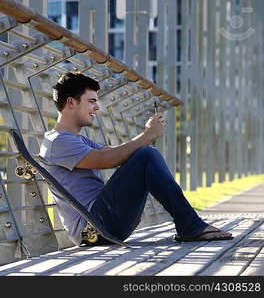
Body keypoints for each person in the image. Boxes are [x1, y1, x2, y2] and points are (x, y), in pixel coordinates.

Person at [38, 72, 233, 246]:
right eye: (91, 101)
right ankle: (190, 226)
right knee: (147, 155)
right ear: (71, 102)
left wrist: (148, 134)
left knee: (145, 156)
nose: (97, 107)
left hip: (102, 222)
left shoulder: (75, 140)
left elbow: (114, 154)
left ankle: (190, 225)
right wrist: (148, 135)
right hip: (93, 228)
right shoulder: (57, 141)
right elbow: (107, 159)